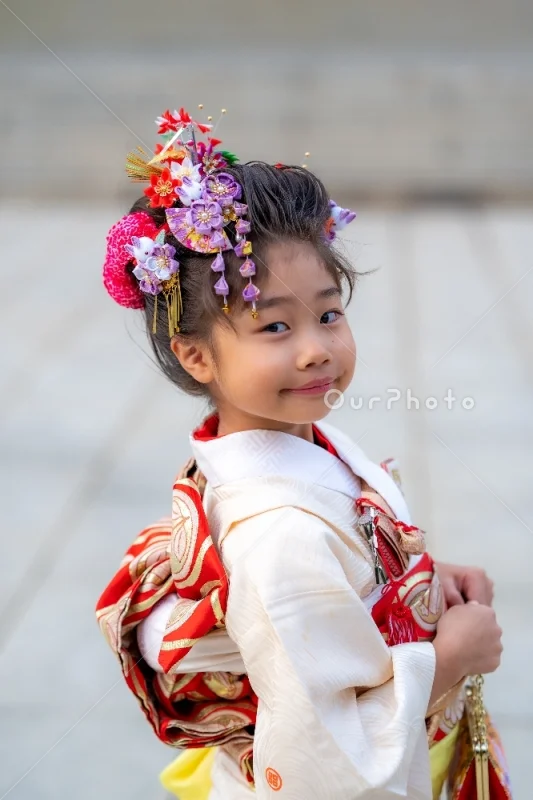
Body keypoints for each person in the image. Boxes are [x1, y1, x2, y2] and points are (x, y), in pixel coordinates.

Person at [96, 106, 504, 800]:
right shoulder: (279, 536)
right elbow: (317, 753)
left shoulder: (281, 443)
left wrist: (420, 583)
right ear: (196, 355)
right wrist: (445, 661)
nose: (315, 347)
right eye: (275, 325)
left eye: (328, 313)